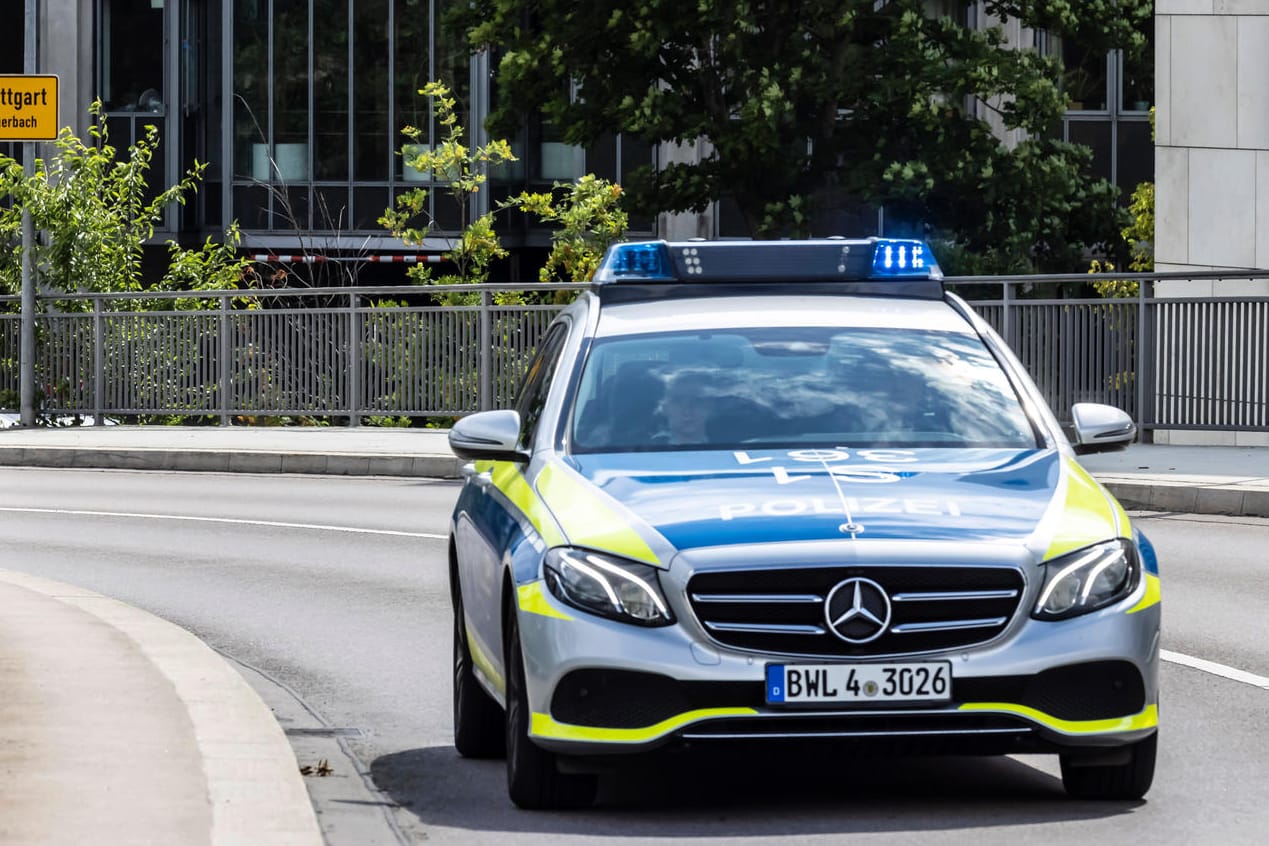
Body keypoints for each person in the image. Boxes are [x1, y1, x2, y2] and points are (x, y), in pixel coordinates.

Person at [656, 371, 713, 445]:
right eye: (677, 401)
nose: (687, 411)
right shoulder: (644, 449)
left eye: (697, 400)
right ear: (664, 408)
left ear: (710, 406)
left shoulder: (729, 448)